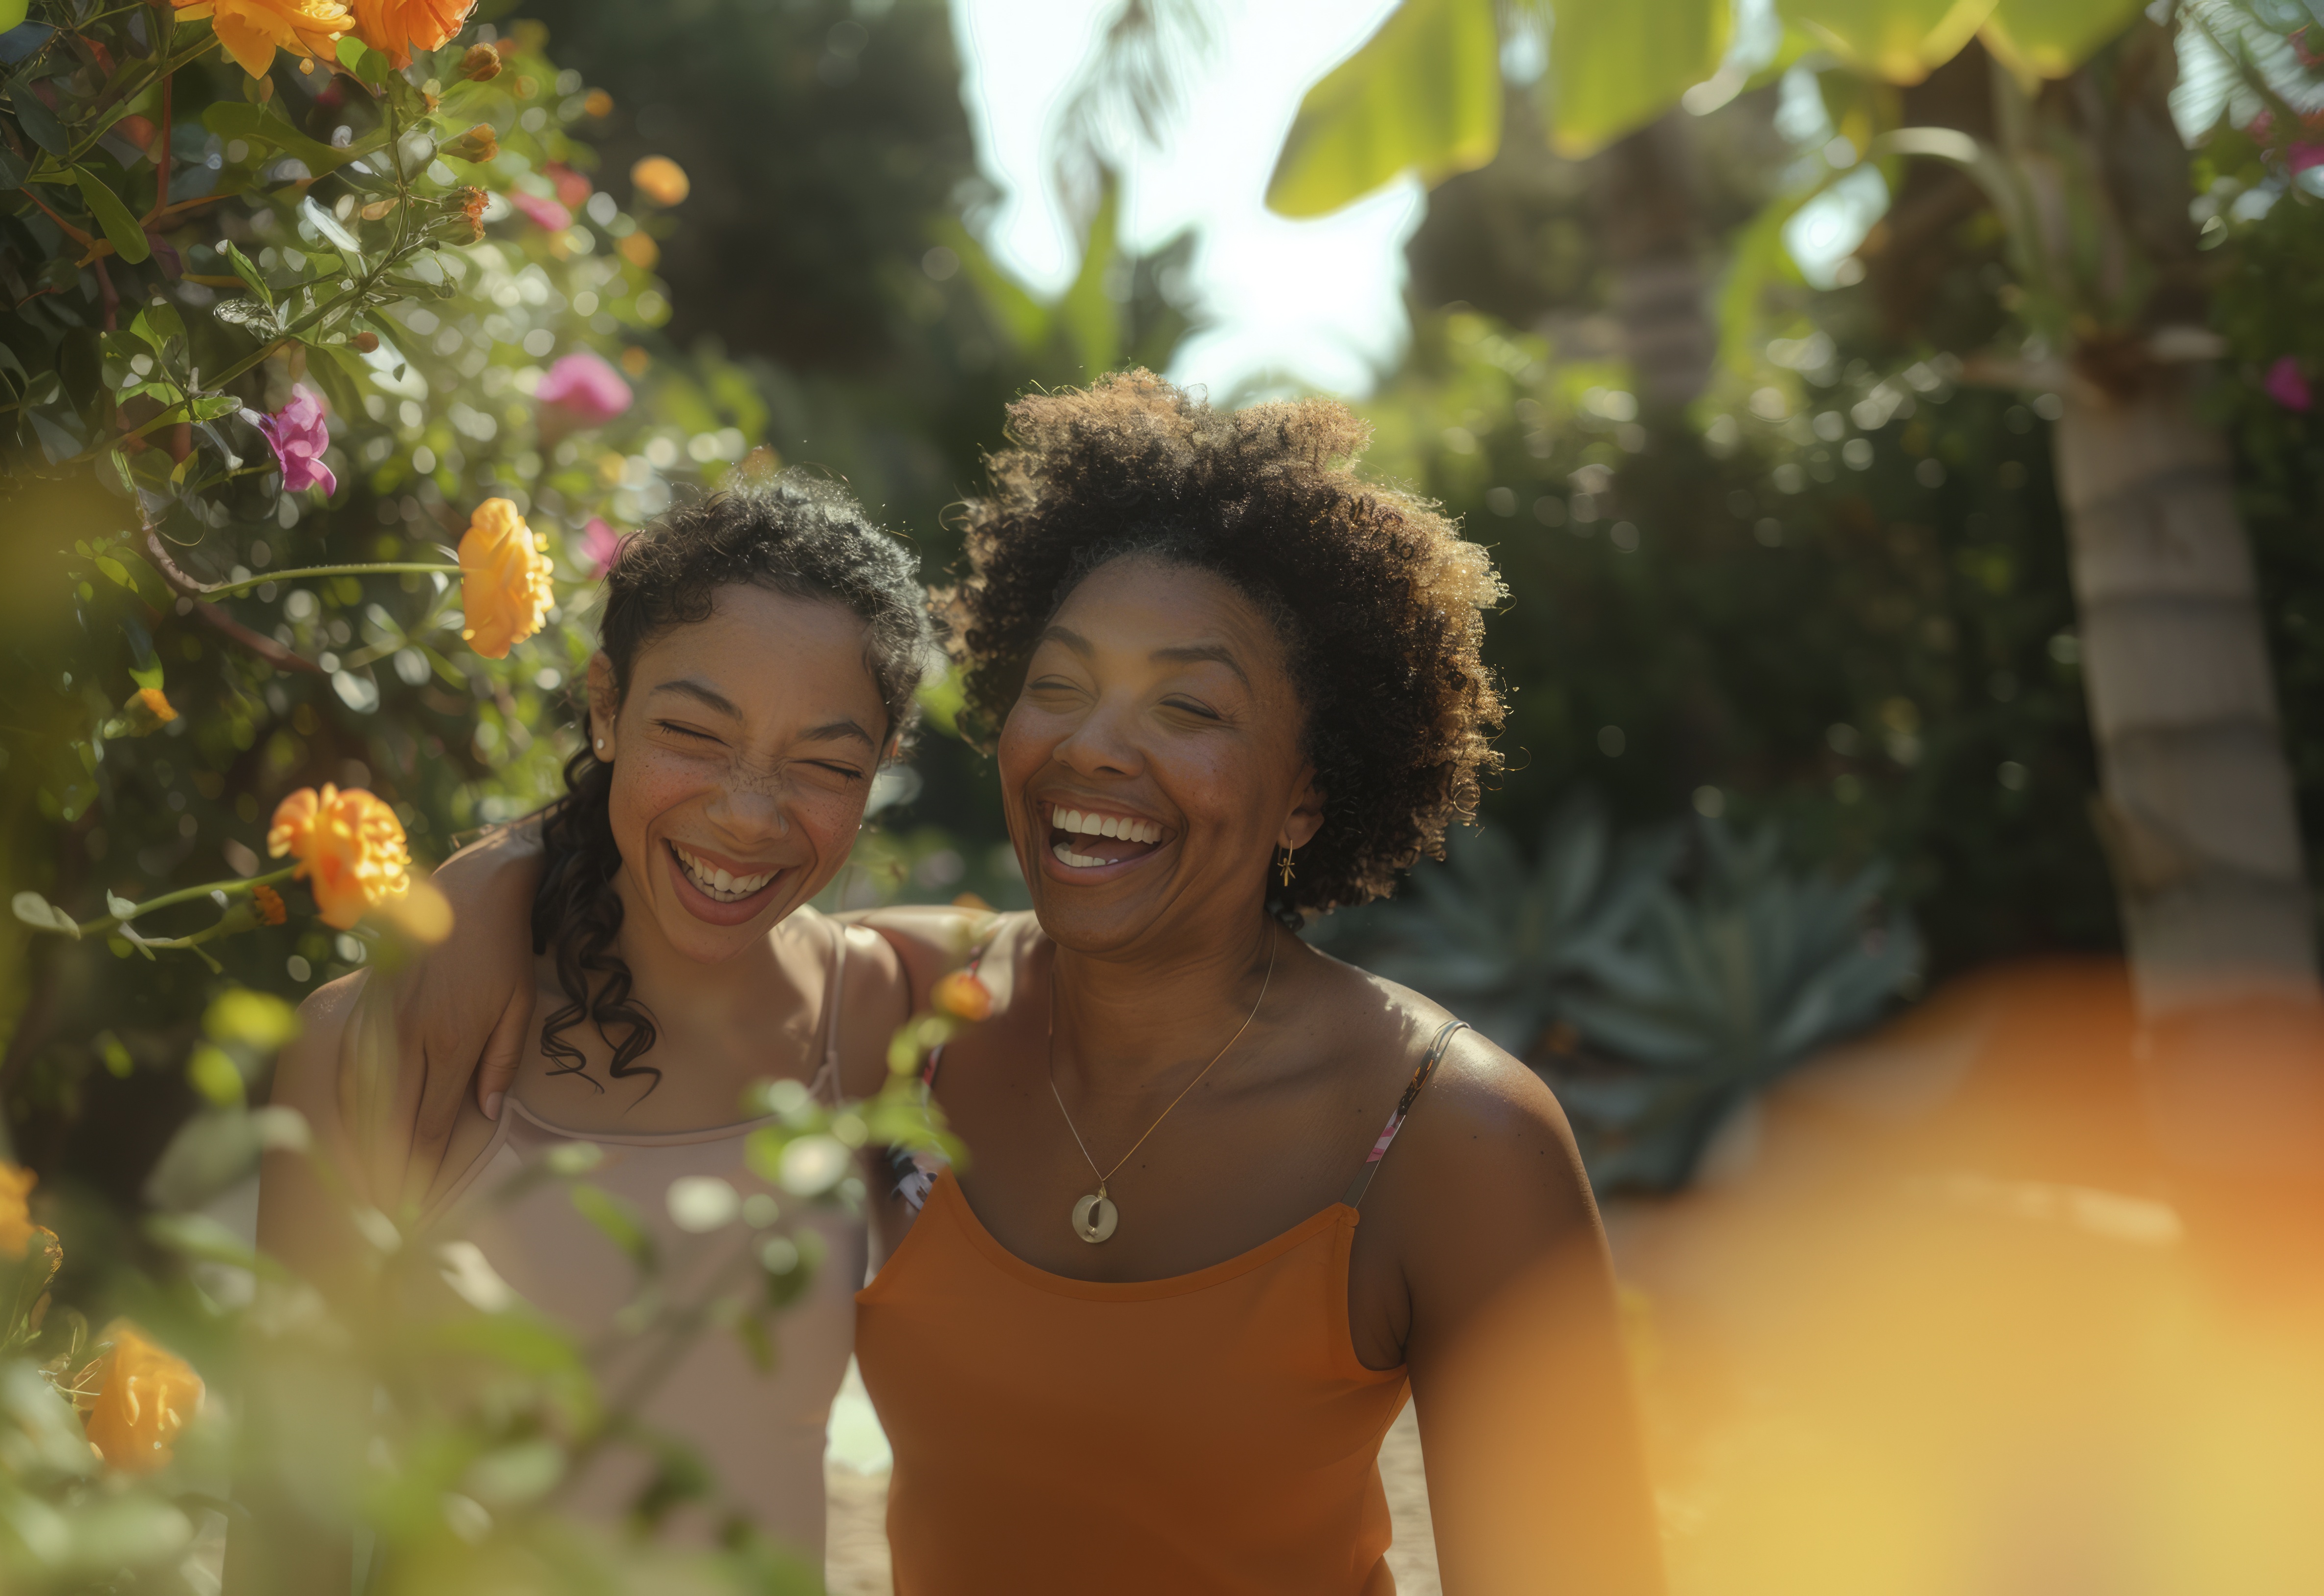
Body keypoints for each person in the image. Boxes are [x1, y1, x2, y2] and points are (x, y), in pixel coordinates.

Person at [424, 373, 1665, 1594]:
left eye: (1189, 707)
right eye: (1058, 687)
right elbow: (666, 876)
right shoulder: (906, 1011)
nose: (1092, 747)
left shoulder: (1448, 1135)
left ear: (1307, 792)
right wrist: (491, 887)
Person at [235, 471, 936, 1584]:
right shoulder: (385, 1041)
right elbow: (287, 1520)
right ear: (606, 707)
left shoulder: (880, 1012)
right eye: (693, 735)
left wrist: (499, 865)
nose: (747, 814)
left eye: (824, 766)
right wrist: (502, 870)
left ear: (881, 767)